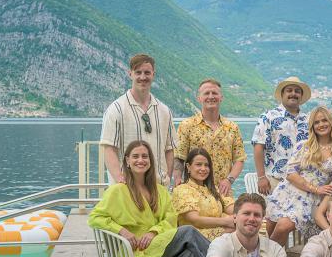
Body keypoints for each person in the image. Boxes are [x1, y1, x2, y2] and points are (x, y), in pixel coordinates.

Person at [89, 141, 209, 257]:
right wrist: (122, 230)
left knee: (189, 256)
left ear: (151, 161)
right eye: (135, 156)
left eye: (145, 156)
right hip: (135, 250)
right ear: (127, 161)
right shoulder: (117, 190)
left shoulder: (159, 190)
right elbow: (95, 217)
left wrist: (154, 232)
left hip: (158, 244)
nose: (141, 160)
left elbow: (171, 218)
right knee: (188, 231)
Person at [266, 106, 332, 246]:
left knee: (283, 226)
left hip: (311, 199)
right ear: (312, 126)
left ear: (331, 122)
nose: (321, 125)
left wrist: (330, 188)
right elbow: (290, 173)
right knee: (271, 229)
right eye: (316, 122)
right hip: (288, 192)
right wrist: (315, 188)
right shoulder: (304, 146)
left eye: (324, 120)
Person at [100, 53, 176, 185]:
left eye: (147, 73)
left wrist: (167, 177)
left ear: (153, 74)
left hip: (158, 187)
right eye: (138, 72)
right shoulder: (116, 109)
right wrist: (120, 179)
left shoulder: (164, 111)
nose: (143, 77)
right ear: (130, 74)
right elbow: (109, 148)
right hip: (127, 187)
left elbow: (169, 149)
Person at [173, 78, 247, 195]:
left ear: (221, 97)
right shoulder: (186, 125)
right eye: (206, 93)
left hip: (223, 192)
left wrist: (229, 180)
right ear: (199, 98)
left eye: (214, 93)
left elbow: (239, 159)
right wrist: (177, 179)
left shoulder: (232, 128)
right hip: (193, 192)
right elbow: (179, 157)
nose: (211, 96)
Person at [251, 76, 311, 196]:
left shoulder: (308, 120)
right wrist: (261, 177)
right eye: (289, 90)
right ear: (282, 94)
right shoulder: (268, 117)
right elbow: (258, 147)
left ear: (301, 96)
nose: (293, 94)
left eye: (297, 91)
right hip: (275, 180)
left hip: (303, 182)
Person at [171, 148, 237, 241]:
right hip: (194, 239)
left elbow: (231, 208)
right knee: (237, 231)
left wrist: (243, 215)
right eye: (198, 164)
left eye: (206, 165)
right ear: (188, 167)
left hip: (220, 231)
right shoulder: (182, 190)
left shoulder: (213, 189)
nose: (203, 169)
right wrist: (225, 222)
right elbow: (195, 220)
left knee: (245, 228)